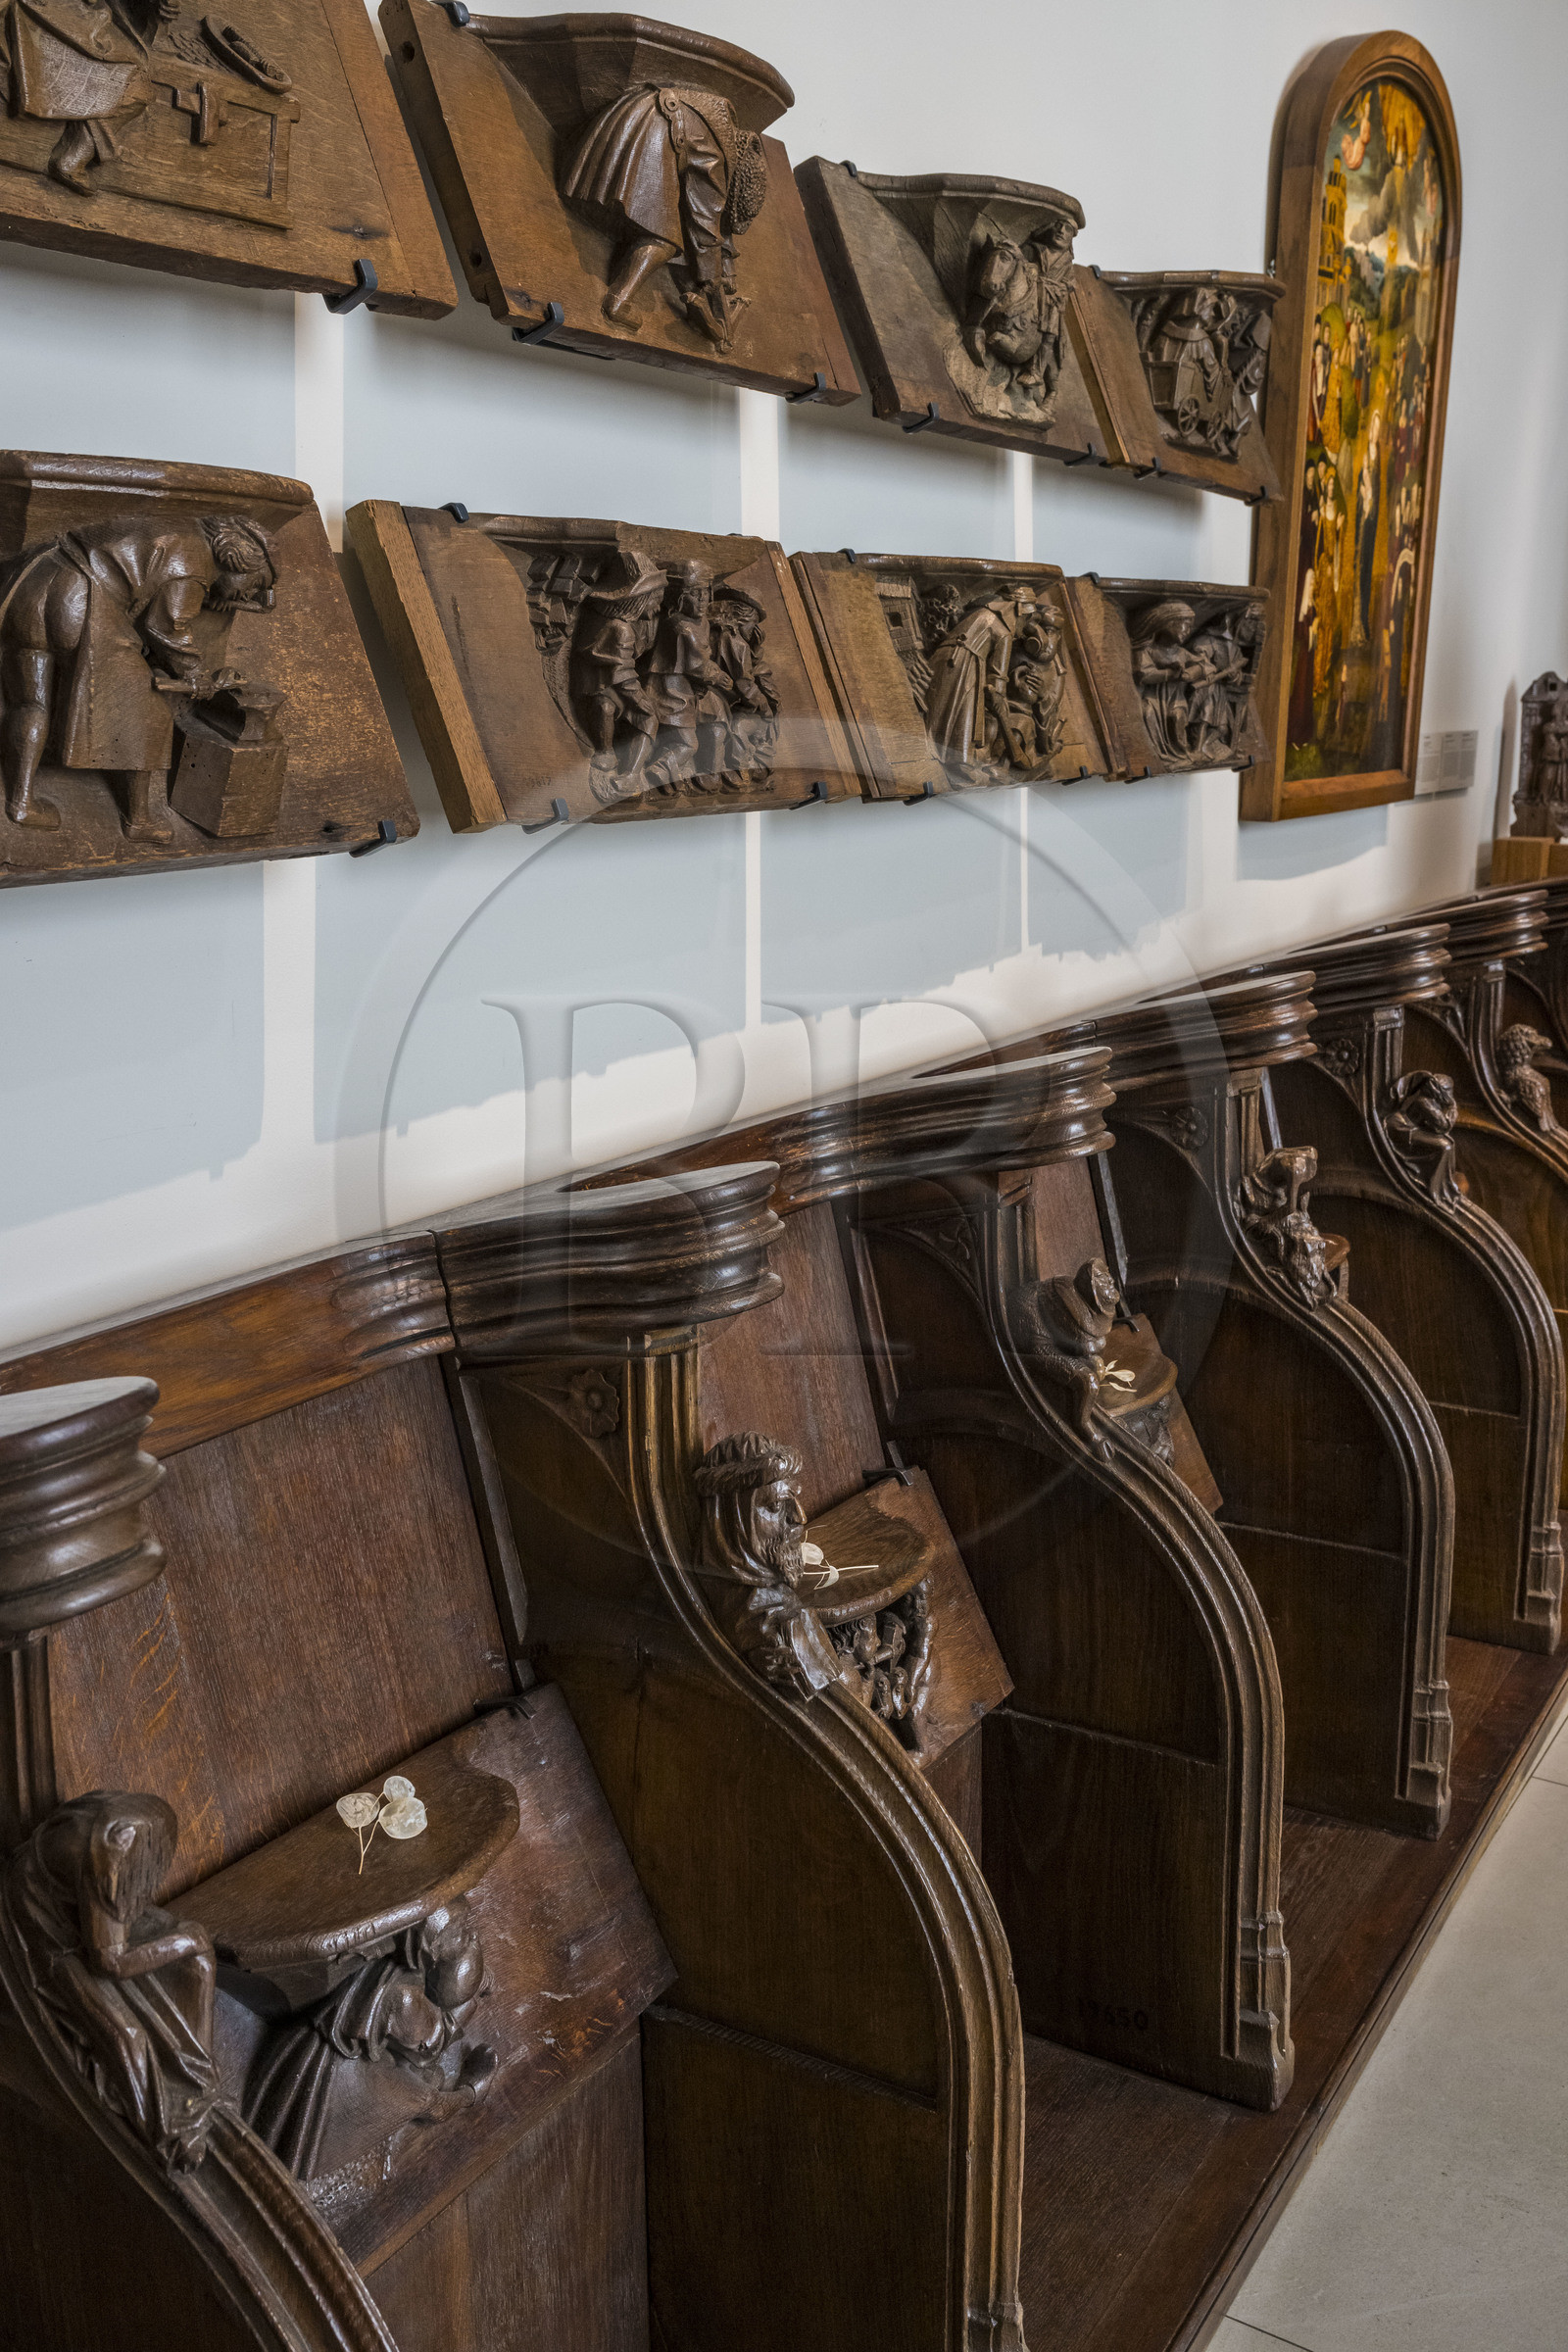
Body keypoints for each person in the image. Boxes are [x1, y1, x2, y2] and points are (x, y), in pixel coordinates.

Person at [0, 509, 276, 836]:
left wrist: (216, 596)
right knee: (149, 710)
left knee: (32, 703)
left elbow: (152, 582)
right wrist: (196, 677)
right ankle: (140, 820)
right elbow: (167, 627)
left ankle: (21, 803)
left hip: (37, 583)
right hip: (82, 599)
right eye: (255, 583)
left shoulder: (182, 529)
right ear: (237, 559)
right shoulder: (193, 565)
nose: (247, 595)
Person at [560, 80, 768, 350]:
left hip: (632, 118)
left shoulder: (716, 123)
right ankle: (619, 302)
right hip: (652, 134)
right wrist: (711, 277)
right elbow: (705, 221)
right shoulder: (717, 159)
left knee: (671, 228)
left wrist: (722, 267)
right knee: (665, 240)